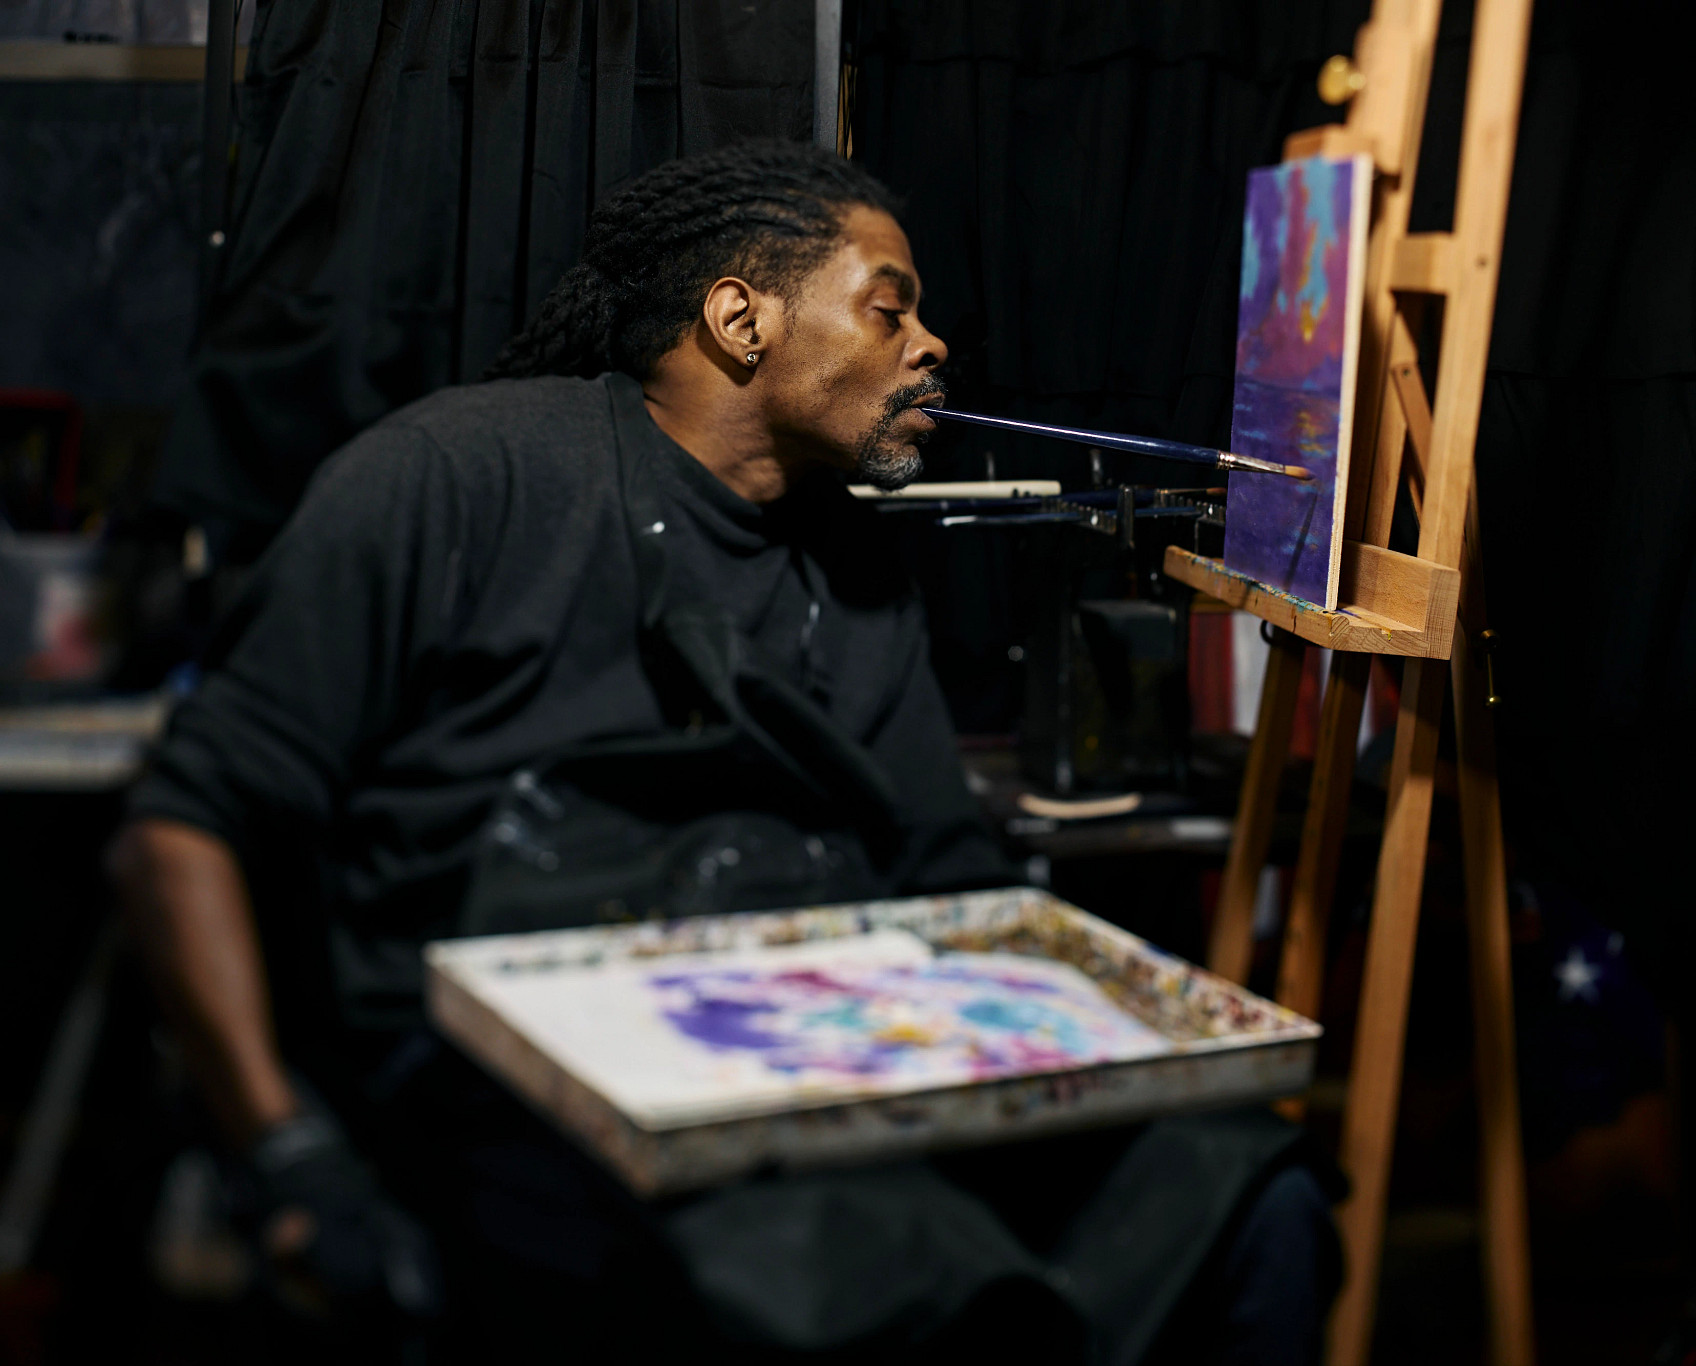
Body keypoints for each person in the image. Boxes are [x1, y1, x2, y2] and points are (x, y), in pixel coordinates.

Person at [111, 140, 1337, 1363]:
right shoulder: (458, 475)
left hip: (817, 1064)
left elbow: (942, 868)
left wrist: (1091, 1026)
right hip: (517, 1084)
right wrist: (285, 1150)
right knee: (886, 1279)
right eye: (889, 307)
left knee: (1249, 1199)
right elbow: (184, 827)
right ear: (739, 318)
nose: (931, 346)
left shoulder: (853, 571)